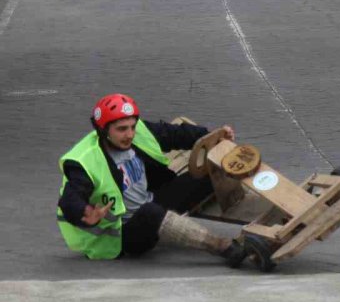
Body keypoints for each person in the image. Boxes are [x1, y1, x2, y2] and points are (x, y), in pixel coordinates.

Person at [57, 94, 270, 266]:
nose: (129, 134)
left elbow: (173, 134)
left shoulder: (138, 132)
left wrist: (214, 136)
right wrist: (86, 213)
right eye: (121, 129)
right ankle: (221, 246)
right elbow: (70, 199)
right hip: (122, 236)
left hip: (151, 201)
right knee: (150, 213)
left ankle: (273, 214)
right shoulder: (85, 160)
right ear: (103, 130)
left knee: (212, 171)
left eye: (132, 126)